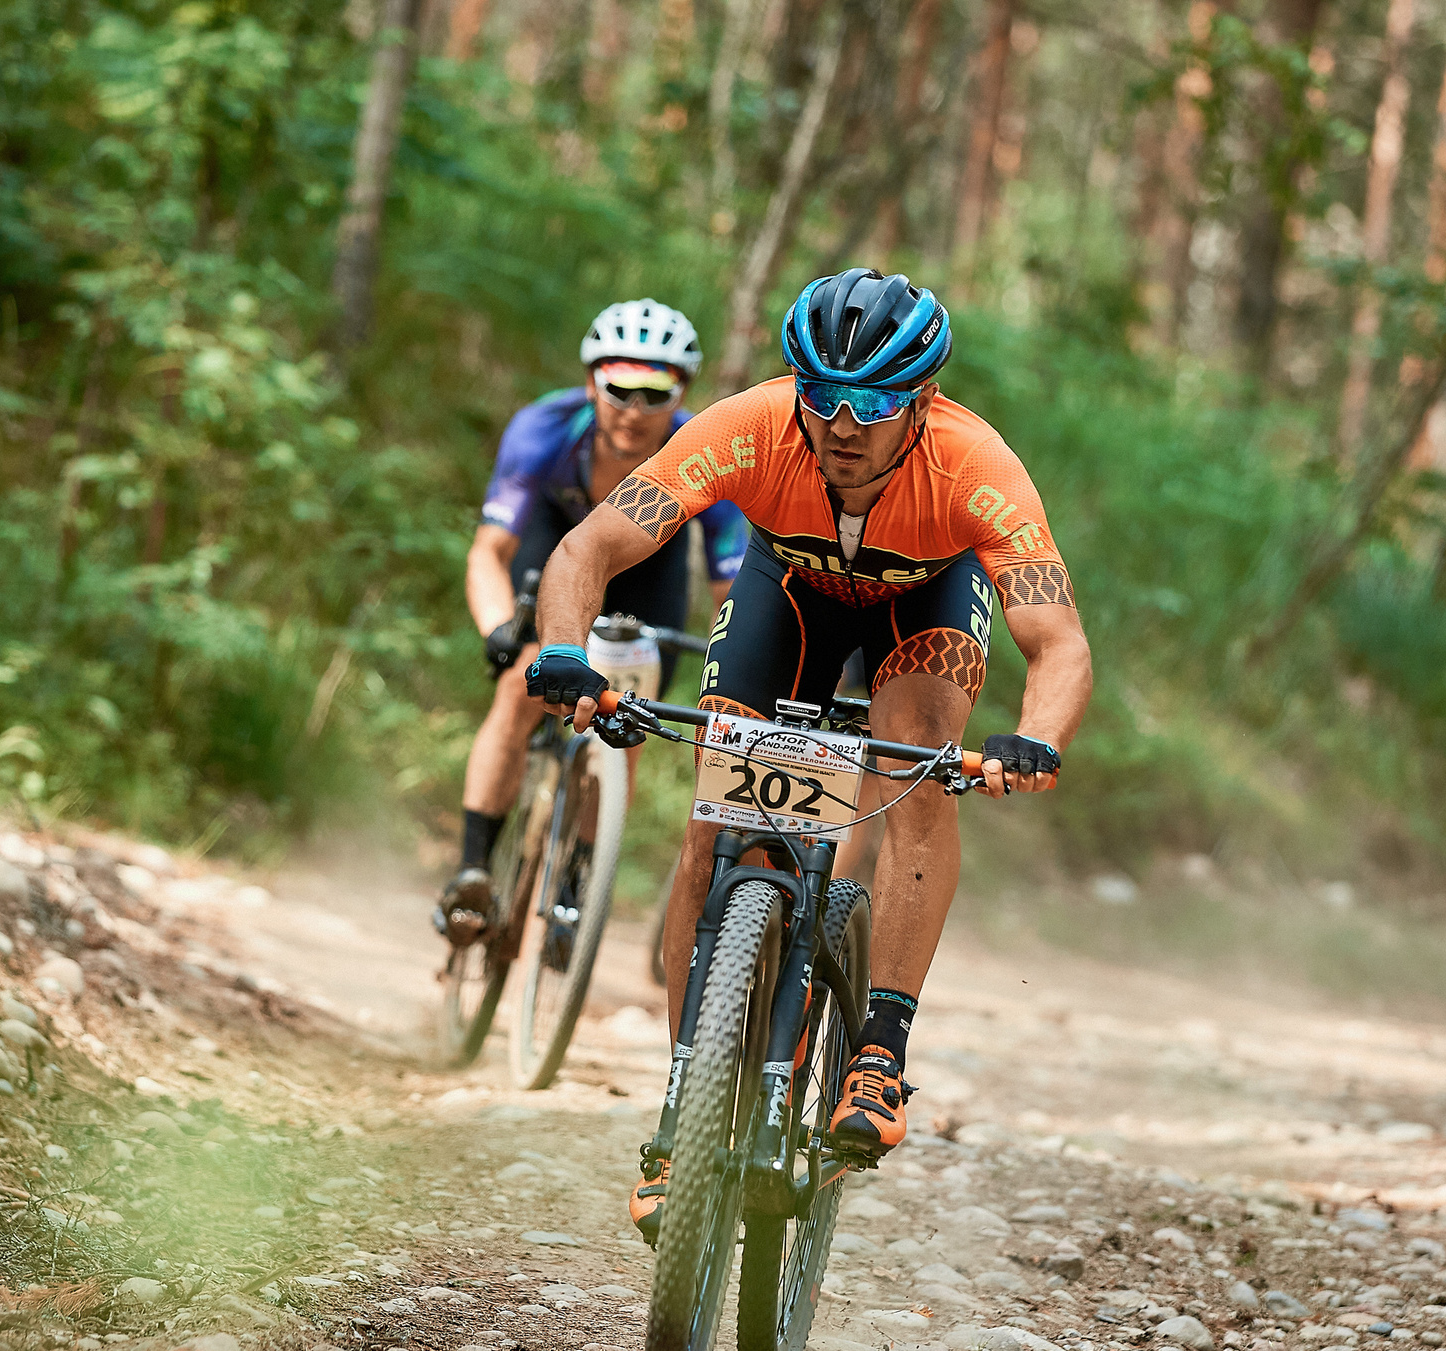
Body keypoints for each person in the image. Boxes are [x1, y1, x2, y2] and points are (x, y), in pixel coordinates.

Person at [520, 269, 1095, 1246]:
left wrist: (1035, 737)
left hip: (927, 604)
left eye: (869, 400)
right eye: (820, 394)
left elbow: (1059, 638)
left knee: (915, 761)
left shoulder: (974, 463)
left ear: (918, 399)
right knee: (710, 835)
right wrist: (568, 654)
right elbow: (588, 548)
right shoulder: (749, 426)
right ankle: (680, 1120)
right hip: (786, 595)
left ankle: (878, 1049)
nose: (840, 422)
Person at [435, 300, 746, 946]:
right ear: (590, 384)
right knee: (522, 684)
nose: (634, 407)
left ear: (681, 394)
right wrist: (498, 627)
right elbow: (488, 553)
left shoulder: (702, 453)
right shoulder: (543, 431)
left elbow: (731, 590)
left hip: (647, 576)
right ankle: (472, 867)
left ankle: (577, 881)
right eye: (619, 387)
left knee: (624, 717)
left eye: (655, 391)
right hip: (556, 549)